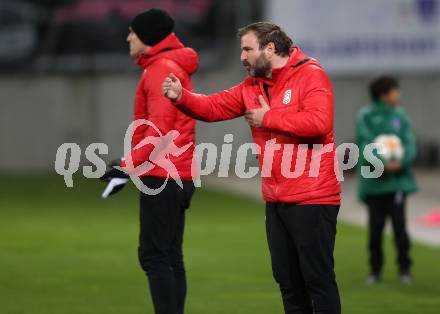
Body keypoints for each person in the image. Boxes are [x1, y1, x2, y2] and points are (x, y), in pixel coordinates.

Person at [163, 22, 341, 314]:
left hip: (313, 197)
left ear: (270, 48)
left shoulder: (310, 74)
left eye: (247, 49)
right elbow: (213, 106)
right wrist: (182, 97)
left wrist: (269, 118)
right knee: (287, 281)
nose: (242, 57)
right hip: (277, 198)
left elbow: (319, 124)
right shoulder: (253, 85)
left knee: (317, 280)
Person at [102, 8, 199, 314]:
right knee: (170, 255)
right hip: (177, 173)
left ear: (148, 36)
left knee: (155, 256)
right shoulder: (168, 66)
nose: (128, 36)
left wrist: (126, 167)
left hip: (163, 176)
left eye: (133, 31)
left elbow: (159, 132)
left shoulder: (159, 69)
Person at [356, 76, 417, 285]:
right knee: (375, 229)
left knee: (400, 227)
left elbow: (409, 142)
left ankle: (405, 268)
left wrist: (402, 161)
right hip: (375, 184)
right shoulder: (366, 116)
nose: (397, 95)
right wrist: (381, 161)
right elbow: (365, 143)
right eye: (394, 91)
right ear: (384, 93)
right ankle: (375, 270)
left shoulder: (400, 115)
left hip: (397, 182)